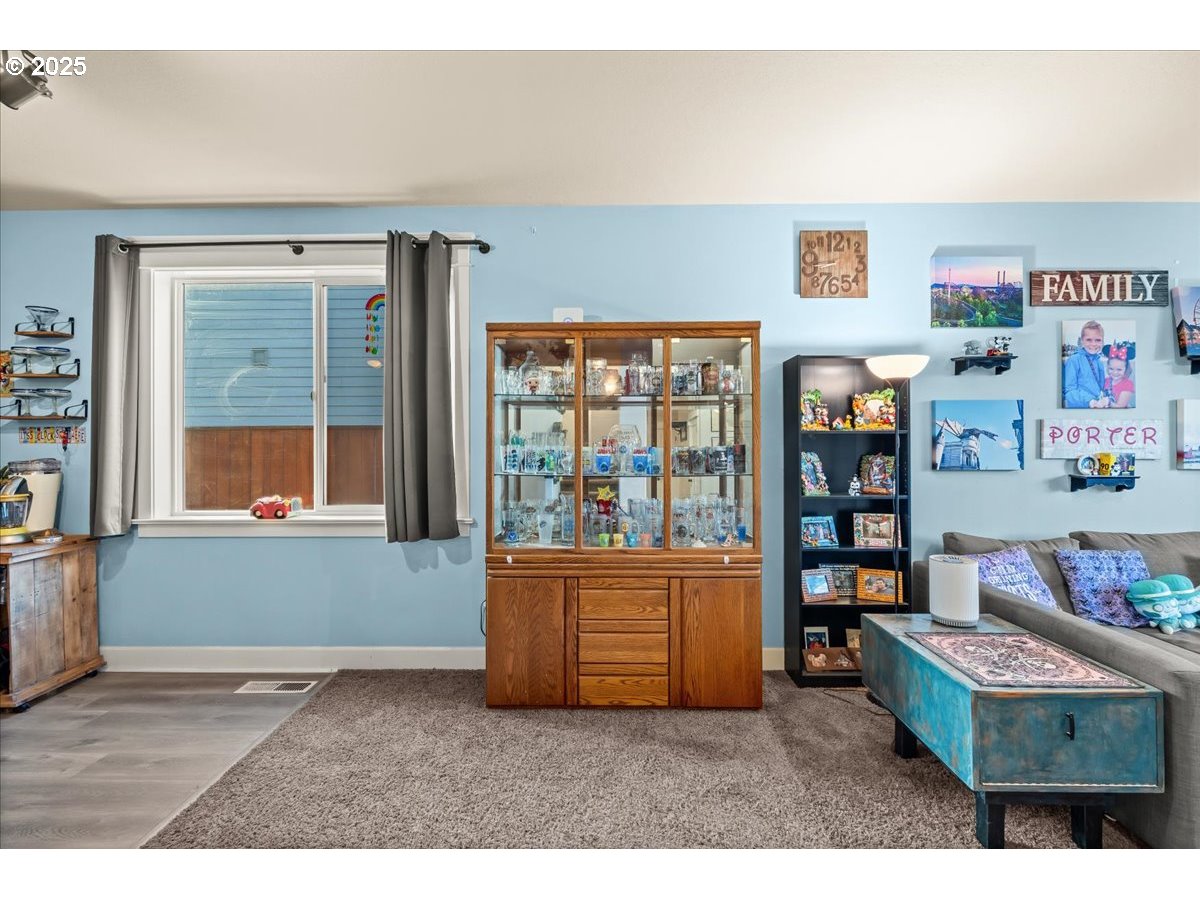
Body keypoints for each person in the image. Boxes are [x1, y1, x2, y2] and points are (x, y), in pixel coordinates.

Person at [1063, 321, 1109, 408]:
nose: (1093, 344)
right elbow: (1069, 391)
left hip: (1097, 406)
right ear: (1082, 341)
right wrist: (1090, 402)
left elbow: (1100, 387)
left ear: (1102, 341)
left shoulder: (1098, 361)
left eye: (1098, 340)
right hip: (1080, 408)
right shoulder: (1074, 360)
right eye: (1089, 340)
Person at [1103, 342, 1136, 409]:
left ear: (1125, 369)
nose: (1115, 372)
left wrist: (1108, 403)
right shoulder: (1106, 381)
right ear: (1107, 367)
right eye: (1111, 369)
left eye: (1119, 369)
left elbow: (1121, 407)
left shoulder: (1127, 384)